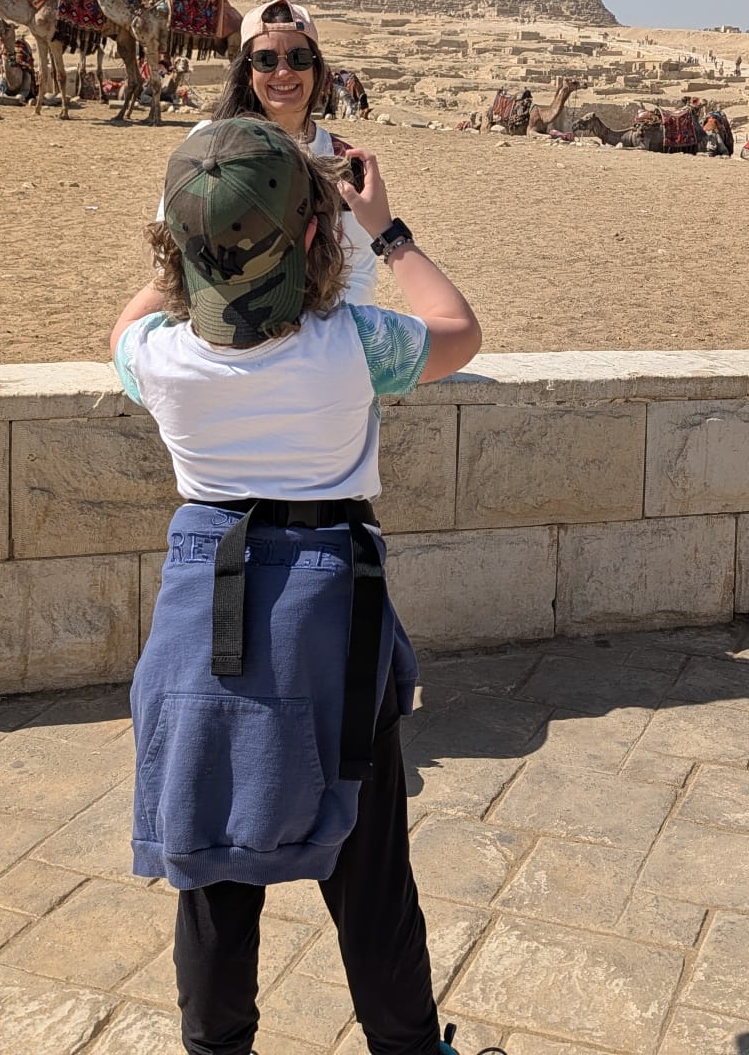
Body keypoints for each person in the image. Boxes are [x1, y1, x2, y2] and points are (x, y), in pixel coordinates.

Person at [113, 116, 483, 1055]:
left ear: (176, 244)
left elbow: (125, 322)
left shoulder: (158, 358)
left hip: (203, 625)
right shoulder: (355, 344)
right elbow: (460, 330)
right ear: (315, 232)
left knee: (213, 869)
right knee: (370, 875)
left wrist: (191, 239)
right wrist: (387, 232)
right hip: (330, 624)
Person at [203, 0, 376, 303]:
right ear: (247, 72)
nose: (283, 72)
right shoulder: (208, 144)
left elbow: (359, 271)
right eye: (266, 60)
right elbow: (177, 250)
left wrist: (317, 329)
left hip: (322, 322)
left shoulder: (345, 161)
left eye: (299, 58)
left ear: (317, 69)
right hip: (224, 319)